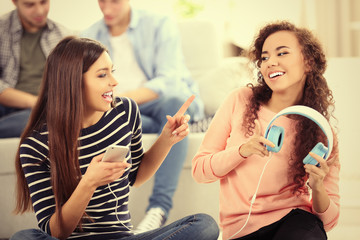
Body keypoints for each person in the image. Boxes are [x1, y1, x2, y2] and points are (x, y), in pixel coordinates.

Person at [11, 36, 219, 240]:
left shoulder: (125, 111)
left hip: (122, 237)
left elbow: (136, 177)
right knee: (24, 236)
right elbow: (56, 232)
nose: (114, 82)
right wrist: (89, 182)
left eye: (112, 72)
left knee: (204, 224)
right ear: (73, 82)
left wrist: (166, 139)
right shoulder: (35, 145)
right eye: (102, 75)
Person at [192, 21, 340, 240]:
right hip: (240, 231)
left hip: (294, 222)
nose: (271, 62)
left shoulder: (320, 132)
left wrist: (317, 187)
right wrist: (242, 150)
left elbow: (329, 221)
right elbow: (199, 171)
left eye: (282, 53)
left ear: (308, 62)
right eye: (264, 57)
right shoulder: (239, 100)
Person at [81, 0, 205, 233]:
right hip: (119, 109)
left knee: (174, 103)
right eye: (101, 1)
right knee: (148, 123)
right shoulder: (89, 36)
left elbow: (169, 80)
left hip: (156, 100)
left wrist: (122, 99)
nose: (106, 9)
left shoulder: (159, 25)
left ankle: (158, 209)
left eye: (114, 2)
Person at [0, 0, 70, 138]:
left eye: (43, 2)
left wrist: (40, 104)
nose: (39, 11)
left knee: (36, 121)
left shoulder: (62, 35)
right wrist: (32, 101)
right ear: (15, 2)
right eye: (29, 4)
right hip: (6, 105)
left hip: (43, 108)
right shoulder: (2, 31)